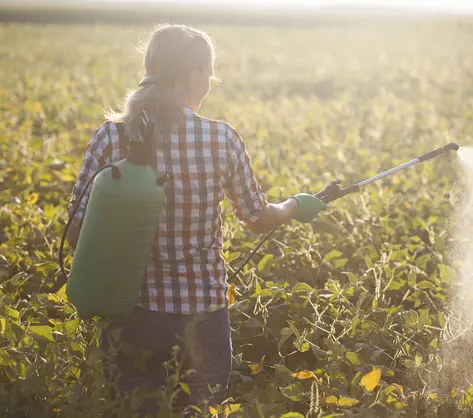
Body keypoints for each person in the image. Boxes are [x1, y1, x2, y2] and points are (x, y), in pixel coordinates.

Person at [66, 23, 325, 416]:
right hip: (202, 317)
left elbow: (75, 231)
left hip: (129, 314)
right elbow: (256, 217)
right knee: (203, 409)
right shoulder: (221, 139)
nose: (208, 84)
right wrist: (294, 206)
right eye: (207, 74)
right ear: (193, 75)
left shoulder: (112, 137)